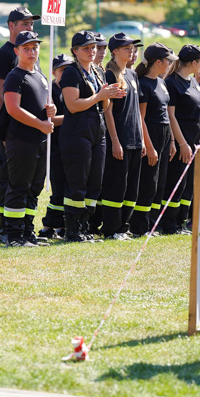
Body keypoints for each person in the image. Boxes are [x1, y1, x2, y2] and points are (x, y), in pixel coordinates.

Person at [60, 31, 124, 241]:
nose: (91, 51)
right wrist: (100, 96)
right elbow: (72, 105)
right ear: (75, 51)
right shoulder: (71, 72)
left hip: (98, 128)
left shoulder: (98, 71)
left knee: (95, 180)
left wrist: (109, 95)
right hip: (78, 129)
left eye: (93, 47)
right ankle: (72, 228)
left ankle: (85, 226)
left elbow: (104, 106)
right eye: (85, 48)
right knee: (78, 179)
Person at [0, 7, 40, 244]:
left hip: (34, 133)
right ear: (11, 25)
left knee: (30, 182)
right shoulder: (4, 54)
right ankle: (6, 230)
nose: (29, 26)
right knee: (10, 180)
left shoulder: (33, 57)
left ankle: (25, 229)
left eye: (31, 23)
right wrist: (4, 128)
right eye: (24, 23)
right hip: (13, 131)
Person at [1, 31, 55, 247]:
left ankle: (27, 232)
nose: (32, 51)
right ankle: (14, 236)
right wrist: (40, 124)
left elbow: (43, 106)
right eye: (26, 48)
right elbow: (13, 109)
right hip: (22, 140)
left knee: (35, 188)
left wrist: (52, 110)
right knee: (19, 187)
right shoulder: (15, 76)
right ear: (17, 51)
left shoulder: (40, 75)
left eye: (35, 47)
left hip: (40, 140)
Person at [129, 43, 176, 236]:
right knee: (148, 182)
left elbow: (166, 114)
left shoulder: (162, 82)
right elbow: (141, 118)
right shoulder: (145, 84)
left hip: (165, 135)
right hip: (151, 134)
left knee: (160, 183)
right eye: (167, 61)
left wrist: (172, 141)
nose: (169, 65)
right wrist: (149, 146)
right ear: (158, 62)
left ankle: (153, 224)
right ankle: (140, 226)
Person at [161, 44, 200, 235]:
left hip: (195, 140)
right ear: (193, 63)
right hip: (182, 140)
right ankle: (170, 224)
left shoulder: (193, 80)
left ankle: (181, 221)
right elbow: (171, 116)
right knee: (176, 183)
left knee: (189, 185)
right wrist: (181, 143)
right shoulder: (172, 83)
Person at [100, 33, 144, 240]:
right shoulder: (109, 75)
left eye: (133, 48)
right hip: (120, 140)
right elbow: (107, 111)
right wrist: (115, 141)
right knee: (116, 186)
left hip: (135, 140)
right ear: (115, 51)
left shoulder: (132, 75)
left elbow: (136, 110)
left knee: (131, 189)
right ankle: (111, 229)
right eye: (127, 48)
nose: (132, 51)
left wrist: (142, 139)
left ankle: (123, 227)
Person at [40, 54, 72, 238]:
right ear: (53, 72)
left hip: (71, 144)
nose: (66, 73)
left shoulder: (71, 88)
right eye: (62, 70)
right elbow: (48, 120)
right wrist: (75, 116)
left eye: (69, 69)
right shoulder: (50, 91)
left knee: (68, 186)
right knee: (59, 188)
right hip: (55, 146)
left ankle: (60, 226)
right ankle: (48, 226)